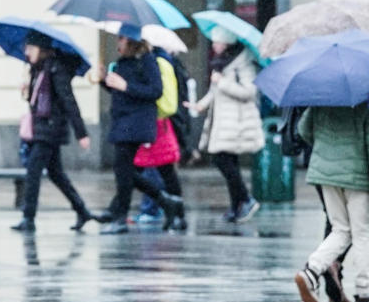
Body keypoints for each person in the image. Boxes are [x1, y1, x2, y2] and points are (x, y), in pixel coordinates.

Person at [293, 100, 369, 302]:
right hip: (358, 177)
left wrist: (328, 149)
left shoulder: (324, 97)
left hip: (326, 174)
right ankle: (364, 296)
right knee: (361, 234)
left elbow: (304, 130)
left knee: (340, 230)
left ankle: (311, 272)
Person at [93, 25, 184, 235]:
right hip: (122, 120)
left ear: (132, 41)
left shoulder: (147, 60)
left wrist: (125, 86)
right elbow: (120, 91)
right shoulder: (123, 63)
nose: (118, 42)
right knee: (124, 171)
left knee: (124, 171)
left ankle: (120, 218)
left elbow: (155, 91)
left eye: (122, 38)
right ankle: (165, 200)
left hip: (137, 122)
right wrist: (104, 80)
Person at [11, 43, 100, 233]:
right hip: (41, 128)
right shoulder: (37, 70)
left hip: (51, 128)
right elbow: (38, 102)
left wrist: (81, 133)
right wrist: (26, 90)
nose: (26, 52)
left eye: (30, 48)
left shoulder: (56, 70)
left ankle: (28, 218)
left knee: (33, 171)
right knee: (56, 173)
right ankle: (82, 210)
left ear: (41, 49)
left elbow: (68, 100)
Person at [186, 27, 264, 223]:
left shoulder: (243, 63)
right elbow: (214, 91)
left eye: (217, 42)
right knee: (229, 161)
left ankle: (246, 199)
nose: (214, 45)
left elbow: (250, 92)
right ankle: (236, 206)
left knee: (222, 160)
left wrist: (222, 83)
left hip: (237, 121)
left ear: (227, 43)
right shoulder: (220, 63)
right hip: (223, 121)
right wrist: (201, 105)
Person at [132, 48, 186, 231]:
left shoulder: (154, 62)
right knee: (161, 171)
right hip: (156, 122)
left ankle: (163, 208)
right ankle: (174, 211)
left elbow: (155, 92)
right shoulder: (160, 61)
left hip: (154, 121)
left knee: (159, 170)